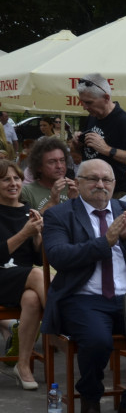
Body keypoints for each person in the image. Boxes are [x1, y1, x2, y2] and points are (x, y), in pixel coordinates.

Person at [42, 159, 126, 413]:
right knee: (96, 341)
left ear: (115, 184)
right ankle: (90, 396)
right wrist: (104, 243)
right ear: (78, 182)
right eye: (93, 179)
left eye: (106, 180)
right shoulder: (59, 215)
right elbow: (59, 256)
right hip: (84, 298)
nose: (100, 185)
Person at [0, 159, 46, 389]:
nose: (13, 183)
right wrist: (24, 233)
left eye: (16, 178)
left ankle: (23, 364)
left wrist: (37, 238)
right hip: (2, 277)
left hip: (23, 279)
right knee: (38, 276)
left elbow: (37, 259)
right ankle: (65, 323)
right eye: (6, 179)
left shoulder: (28, 210)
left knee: (32, 299)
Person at [73, 74, 126, 196]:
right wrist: (77, 143)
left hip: (116, 192)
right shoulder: (92, 117)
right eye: (82, 102)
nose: (84, 107)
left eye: (89, 102)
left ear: (106, 98)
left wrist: (107, 149)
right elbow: (77, 156)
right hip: (91, 189)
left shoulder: (123, 121)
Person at [20, 137, 78, 213]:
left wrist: (75, 202)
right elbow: (28, 223)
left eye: (62, 160)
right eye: (52, 162)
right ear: (39, 167)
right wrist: (52, 203)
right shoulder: (27, 192)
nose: (59, 166)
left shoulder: (72, 188)